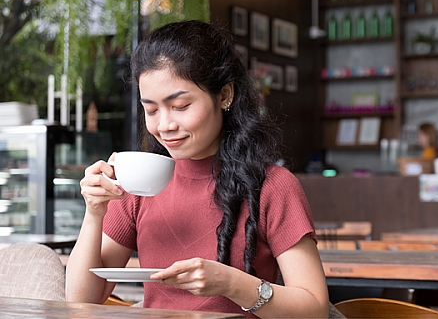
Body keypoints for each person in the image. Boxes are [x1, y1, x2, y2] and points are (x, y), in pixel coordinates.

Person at [66, 20, 330, 318]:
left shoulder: (273, 186)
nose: (164, 125)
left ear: (224, 95)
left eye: (180, 106)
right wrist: (94, 212)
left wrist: (232, 283)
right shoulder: (137, 185)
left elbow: (315, 310)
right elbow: (80, 301)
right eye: (151, 110)